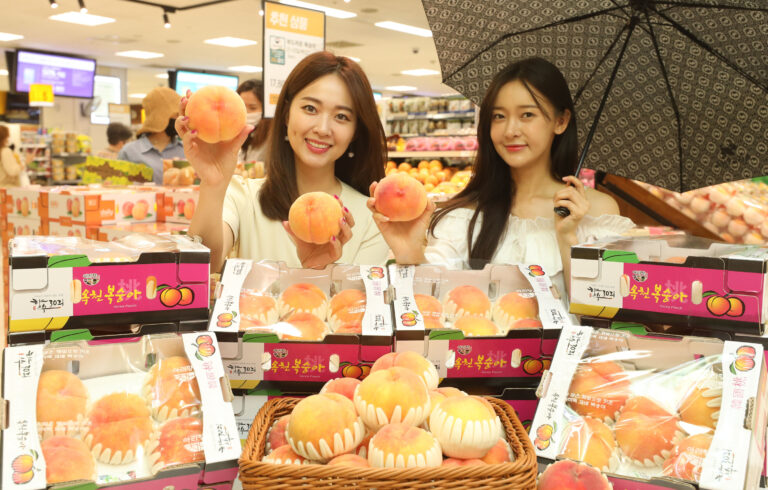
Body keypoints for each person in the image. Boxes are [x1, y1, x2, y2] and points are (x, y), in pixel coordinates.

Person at [369, 57, 633, 295]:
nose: (510, 130)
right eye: (499, 116)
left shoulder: (595, 212)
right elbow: (434, 303)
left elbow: (608, 310)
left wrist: (568, 240)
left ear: (561, 121)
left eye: (527, 114)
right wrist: (410, 253)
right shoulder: (465, 215)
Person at [177, 51, 389, 271]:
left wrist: (317, 272)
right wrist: (213, 183)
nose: (323, 129)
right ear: (287, 114)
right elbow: (200, 269)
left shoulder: (371, 219)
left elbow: (362, 293)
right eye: (310, 109)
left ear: (355, 132)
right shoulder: (243, 197)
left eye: (341, 116)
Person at [118, 87, 185, 185]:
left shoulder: (186, 151)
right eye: (176, 115)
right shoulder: (129, 152)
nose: (180, 120)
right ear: (160, 117)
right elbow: (119, 188)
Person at [237, 79, 272, 164]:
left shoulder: (271, 136)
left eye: (252, 108)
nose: (246, 112)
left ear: (266, 109)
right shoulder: (235, 130)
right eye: (242, 107)